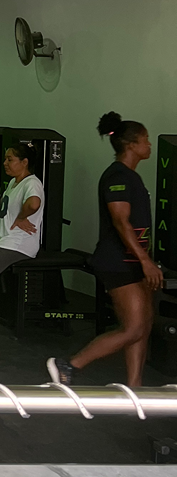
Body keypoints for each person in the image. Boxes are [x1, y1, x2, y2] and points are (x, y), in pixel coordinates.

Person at [48, 112, 163, 387]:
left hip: (133, 262)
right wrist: (146, 261)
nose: (149, 144)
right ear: (131, 145)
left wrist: (145, 261)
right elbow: (121, 222)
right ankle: (69, 365)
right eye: (145, 139)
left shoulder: (132, 177)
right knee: (133, 328)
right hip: (117, 262)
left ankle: (134, 388)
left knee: (143, 326)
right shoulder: (117, 176)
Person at [0, 143, 45, 284]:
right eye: (5, 159)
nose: (5, 163)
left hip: (17, 243)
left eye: (10, 159)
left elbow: (34, 204)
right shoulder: (13, 182)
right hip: (1, 239)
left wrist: (21, 217)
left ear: (24, 162)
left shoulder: (32, 183)